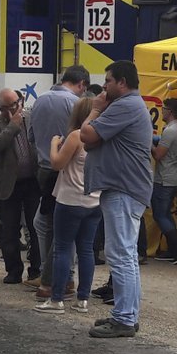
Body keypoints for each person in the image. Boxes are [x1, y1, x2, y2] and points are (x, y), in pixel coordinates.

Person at [81, 60, 152, 339]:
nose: (105, 86)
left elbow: (85, 133)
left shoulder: (125, 105)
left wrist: (96, 110)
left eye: (108, 81)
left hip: (122, 189)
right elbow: (90, 141)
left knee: (120, 255)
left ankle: (123, 318)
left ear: (122, 82)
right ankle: (127, 315)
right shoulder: (130, 106)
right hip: (127, 188)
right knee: (127, 255)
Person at [36, 97, 102, 314]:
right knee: (86, 249)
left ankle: (56, 300)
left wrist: (54, 144)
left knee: (63, 249)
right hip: (95, 200)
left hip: (70, 198)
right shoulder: (104, 136)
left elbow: (57, 163)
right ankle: (83, 299)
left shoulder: (76, 136)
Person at [28, 65, 90, 297]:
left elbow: (30, 137)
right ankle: (62, 277)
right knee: (57, 227)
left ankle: (53, 276)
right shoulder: (74, 104)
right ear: (82, 84)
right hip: (65, 169)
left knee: (46, 225)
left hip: (45, 168)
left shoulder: (40, 100)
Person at [0, 88, 41, 285]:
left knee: (36, 227)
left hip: (34, 181)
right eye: (4, 108)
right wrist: (12, 126)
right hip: (9, 184)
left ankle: (36, 270)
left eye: (14, 105)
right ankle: (13, 270)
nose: (10, 111)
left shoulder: (33, 118)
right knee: (9, 230)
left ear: (21, 100)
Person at [151, 98, 177, 264]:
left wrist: (147, 141)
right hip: (172, 176)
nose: (162, 111)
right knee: (165, 214)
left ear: (170, 112)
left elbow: (158, 155)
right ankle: (174, 250)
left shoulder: (171, 131)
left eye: (164, 109)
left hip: (165, 178)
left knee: (160, 215)